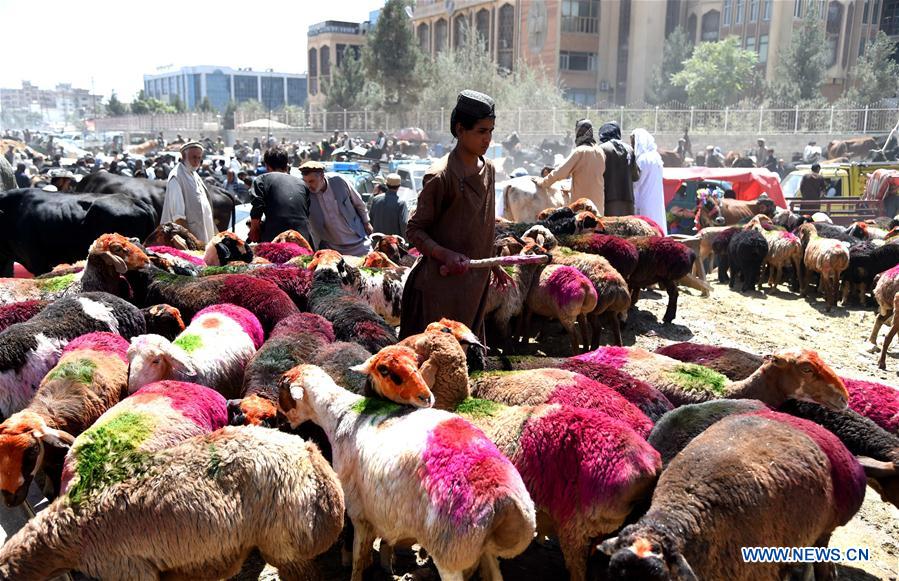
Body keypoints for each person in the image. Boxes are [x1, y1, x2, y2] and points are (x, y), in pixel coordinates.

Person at [400, 89, 512, 344]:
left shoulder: (490, 169)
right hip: (439, 290)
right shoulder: (441, 176)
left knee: (469, 361)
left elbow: (482, 226)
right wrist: (445, 254)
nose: (488, 139)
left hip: (473, 288)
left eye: (491, 131)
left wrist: (491, 262)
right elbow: (414, 230)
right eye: (481, 131)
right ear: (460, 129)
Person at [299, 160, 373, 256]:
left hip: (358, 242)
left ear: (321, 176)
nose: (309, 186)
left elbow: (359, 203)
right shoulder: (306, 193)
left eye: (312, 181)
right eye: (306, 182)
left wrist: (366, 223)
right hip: (331, 247)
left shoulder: (339, 181)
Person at [536, 119, 606, 214]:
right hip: (598, 206)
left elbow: (561, 172)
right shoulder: (600, 151)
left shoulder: (579, 151)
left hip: (582, 207)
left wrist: (543, 182)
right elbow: (590, 177)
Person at [248, 147, 312, 244]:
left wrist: (254, 231)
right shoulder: (302, 184)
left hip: (276, 240)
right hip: (303, 239)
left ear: (267, 166)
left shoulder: (261, 180)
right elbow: (306, 213)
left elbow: (257, 208)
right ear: (286, 165)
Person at [160, 142, 216, 244]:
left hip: (202, 237)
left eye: (199, 158)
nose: (197, 161)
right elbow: (178, 217)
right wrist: (191, 241)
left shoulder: (194, 174)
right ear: (183, 157)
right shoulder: (176, 177)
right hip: (186, 241)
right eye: (193, 157)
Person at [630, 128, 667, 235]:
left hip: (644, 201)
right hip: (656, 201)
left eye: (633, 142)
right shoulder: (656, 157)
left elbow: (637, 183)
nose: (632, 145)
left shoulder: (642, 160)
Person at [599, 121, 640, 216]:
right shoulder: (629, 149)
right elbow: (635, 176)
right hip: (628, 200)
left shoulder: (601, 149)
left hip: (608, 199)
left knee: (610, 229)